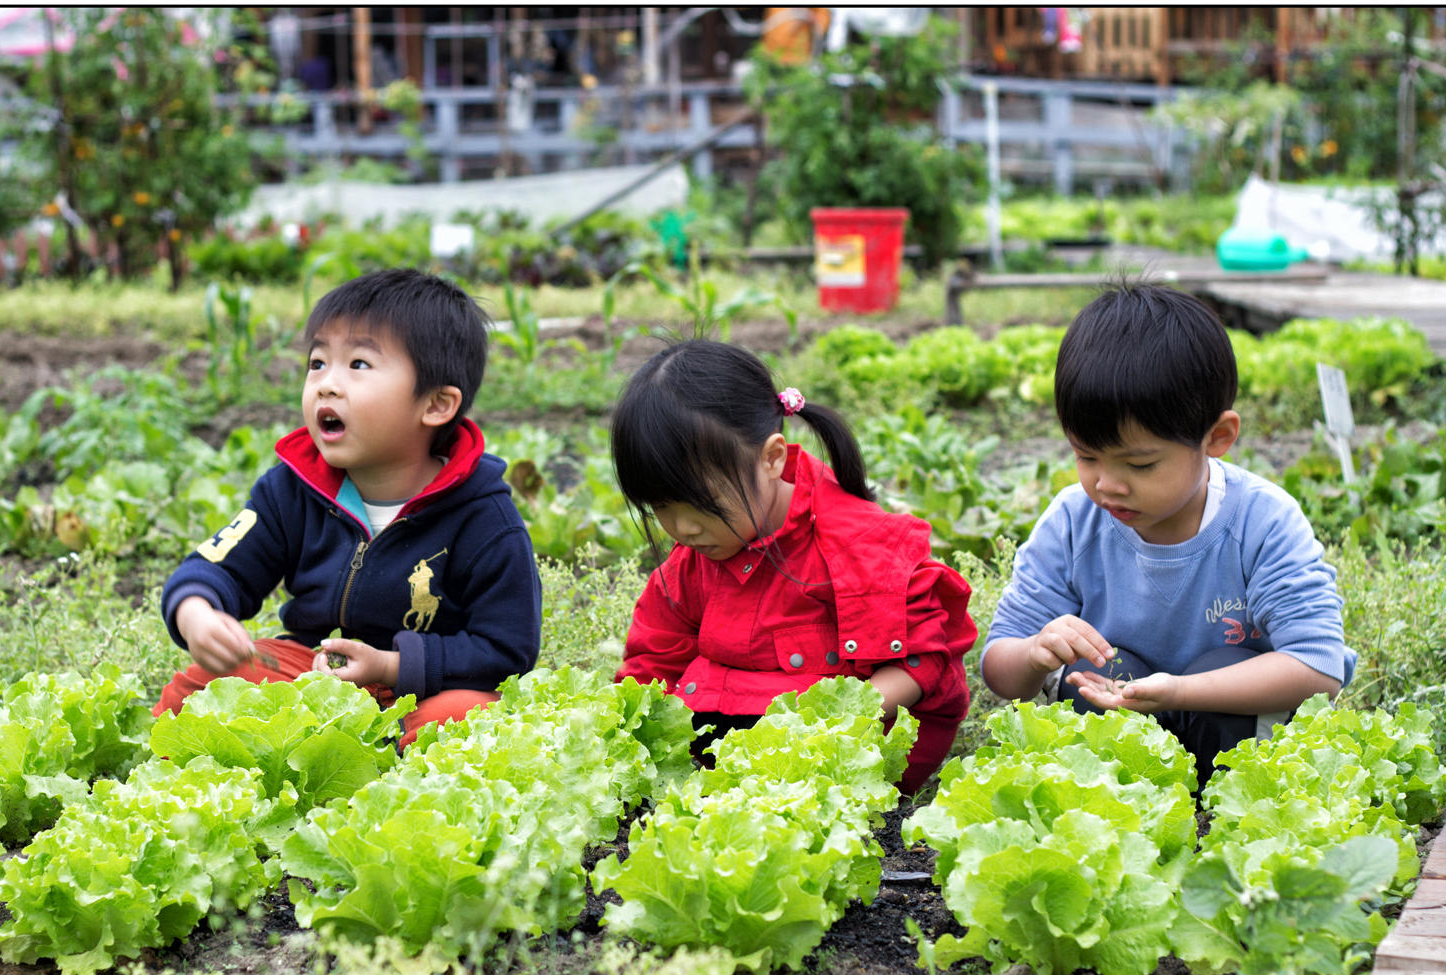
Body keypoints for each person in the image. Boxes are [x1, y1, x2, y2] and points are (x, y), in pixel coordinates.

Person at [980, 281, 1355, 786]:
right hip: (1119, 750)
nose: (1107, 484)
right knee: (1096, 675)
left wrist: (1179, 691)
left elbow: (1318, 668)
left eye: (1140, 464)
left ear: (1217, 437)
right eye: (1086, 456)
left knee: (1227, 664)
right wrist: (1033, 653)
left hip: (1233, 735)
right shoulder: (1073, 520)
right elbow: (999, 667)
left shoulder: (1262, 520)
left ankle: (1220, 803)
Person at [154, 269, 541, 748]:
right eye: (318, 363)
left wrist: (391, 666)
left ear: (436, 405)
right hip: (311, 673)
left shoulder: (484, 517)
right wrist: (197, 613)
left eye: (358, 364)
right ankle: (336, 754)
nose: (326, 385)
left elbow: (506, 649)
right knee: (202, 686)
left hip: (422, 691)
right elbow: (217, 566)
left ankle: (379, 763)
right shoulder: (292, 488)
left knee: (469, 719)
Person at [611, 340, 977, 796]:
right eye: (662, 508)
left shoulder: (856, 545)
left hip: (838, 756)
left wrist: (829, 728)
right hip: (728, 754)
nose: (683, 528)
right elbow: (652, 665)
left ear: (772, 458)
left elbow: (921, 662)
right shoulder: (690, 565)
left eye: (703, 505)